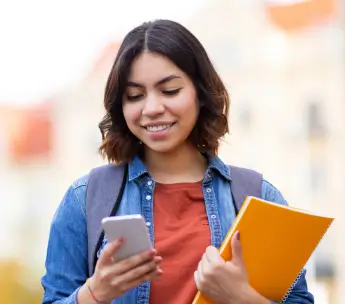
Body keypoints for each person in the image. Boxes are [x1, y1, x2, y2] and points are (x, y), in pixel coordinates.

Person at [41, 19, 314, 304]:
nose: (152, 108)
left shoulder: (258, 196)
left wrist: (241, 298)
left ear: (200, 92)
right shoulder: (85, 199)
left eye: (170, 91)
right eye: (134, 96)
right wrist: (94, 293)